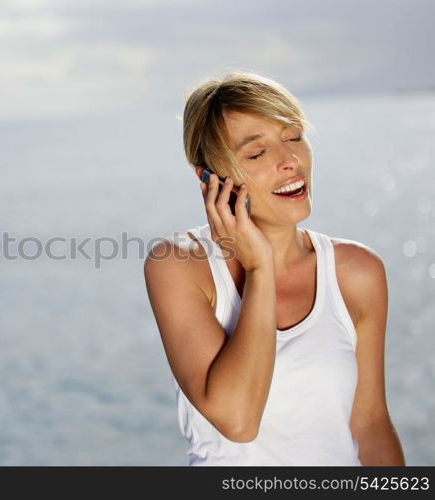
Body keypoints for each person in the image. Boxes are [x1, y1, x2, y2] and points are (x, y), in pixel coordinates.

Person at [143, 71, 405, 466]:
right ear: (209, 177)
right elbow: (238, 419)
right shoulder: (180, 266)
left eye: (294, 137)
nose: (291, 162)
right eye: (256, 153)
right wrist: (260, 267)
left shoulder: (357, 272)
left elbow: (368, 424)